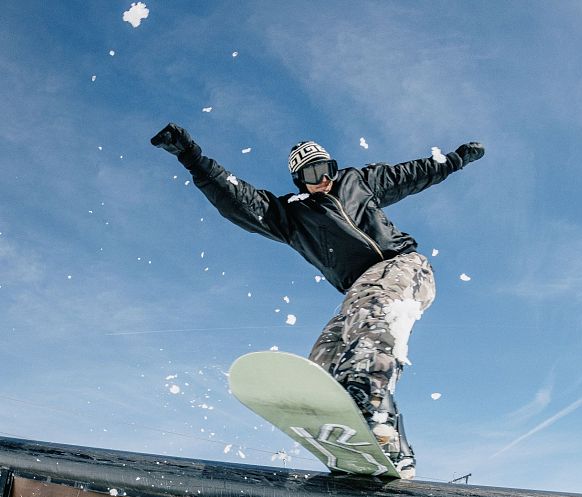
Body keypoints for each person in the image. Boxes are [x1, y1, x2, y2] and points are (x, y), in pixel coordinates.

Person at [151, 123, 485, 478]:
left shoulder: (358, 182)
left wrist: (456, 159)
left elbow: (411, 174)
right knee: (328, 356)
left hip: (402, 267)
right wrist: (192, 157)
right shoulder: (289, 216)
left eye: (326, 169)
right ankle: (386, 443)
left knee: (370, 319)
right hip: (357, 292)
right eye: (312, 174)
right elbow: (237, 197)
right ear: (299, 180)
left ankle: (371, 397)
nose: (323, 179)